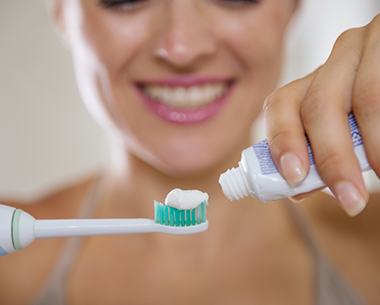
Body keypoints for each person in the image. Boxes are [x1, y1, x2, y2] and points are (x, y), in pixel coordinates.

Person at [0, 0, 379, 304]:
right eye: (128, 0)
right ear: (61, 13)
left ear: (295, 6)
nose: (182, 48)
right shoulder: (10, 271)